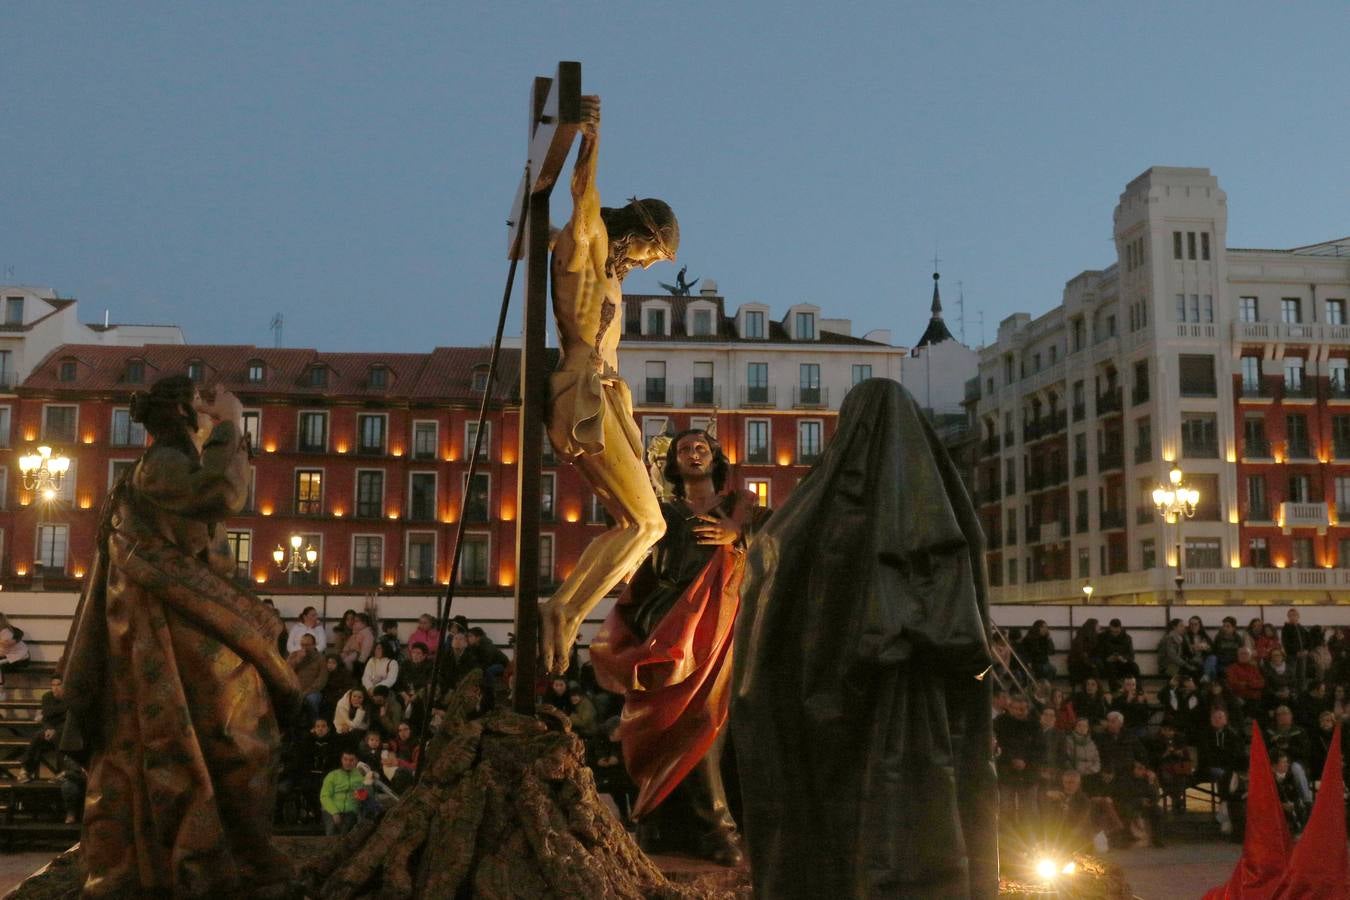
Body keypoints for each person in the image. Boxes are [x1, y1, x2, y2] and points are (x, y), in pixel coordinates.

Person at [733, 379, 997, 898]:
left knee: (839, 834)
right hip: (918, 711)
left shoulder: (797, 524)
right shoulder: (948, 521)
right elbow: (965, 636)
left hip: (829, 711)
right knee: (917, 831)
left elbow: (768, 638)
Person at [58, 375, 300, 895]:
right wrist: (232, 424)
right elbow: (223, 490)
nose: (211, 412)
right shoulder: (165, 463)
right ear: (185, 417)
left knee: (236, 738)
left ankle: (231, 855)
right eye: (202, 405)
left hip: (188, 621)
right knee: (235, 740)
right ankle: (217, 859)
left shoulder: (171, 465)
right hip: (173, 629)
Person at [539, 94, 681, 676]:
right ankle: (566, 610)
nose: (649, 264)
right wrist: (591, 139)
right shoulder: (588, 243)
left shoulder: (602, 267)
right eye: (654, 251)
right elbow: (584, 197)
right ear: (639, 231)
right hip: (582, 392)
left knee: (637, 522)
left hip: (601, 397)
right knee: (648, 522)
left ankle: (567, 610)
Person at [592, 428, 768, 866]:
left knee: (705, 723)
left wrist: (739, 538)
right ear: (673, 463)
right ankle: (657, 820)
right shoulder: (660, 513)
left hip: (717, 625)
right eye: (685, 449)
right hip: (662, 625)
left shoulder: (741, 508)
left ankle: (717, 828)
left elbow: (777, 549)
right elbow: (636, 558)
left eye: (701, 448)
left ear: (715, 459)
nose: (693, 454)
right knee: (653, 727)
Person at [1196, 708, 1247, 835]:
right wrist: (1221, 757)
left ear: (1226, 720)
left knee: (1230, 776)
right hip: (1209, 767)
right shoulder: (1205, 735)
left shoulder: (1232, 735)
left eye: (1220, 717)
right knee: (1225, 775)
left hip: (1228, 768)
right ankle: (1225, 808)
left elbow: (1236, 754)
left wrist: (1223, 757)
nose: (1217, 720)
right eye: (1215, 717)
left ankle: (1226, 807)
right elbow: (1206, 755)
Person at [319, 750, 364, 837]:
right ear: (341, 760)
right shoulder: (332, 775)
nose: (348, 762)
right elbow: (324, 796)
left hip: (350, 811)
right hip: (331, 809)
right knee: (331, 833)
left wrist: (360, 795)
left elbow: (363, 796)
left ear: (356, 761)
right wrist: (334, 812)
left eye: (351, 760)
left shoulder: (360, 776)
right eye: (345, 759)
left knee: (345, 834)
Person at [289, 633, 329, 725]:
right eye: (302, 644)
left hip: (312, 691)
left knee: (312, 700)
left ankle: (314, 724)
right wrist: (297, 661)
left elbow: (322, 679)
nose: (304, 647)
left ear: (314, 645)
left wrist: (306, 692)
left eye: (307, 645)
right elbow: (286, 673)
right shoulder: (294, 655)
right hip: (295, 690)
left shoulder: (320, 658)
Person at [1068, 619, 1101, 684]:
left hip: (1084, 663)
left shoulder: (1092, 637)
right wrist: (1091, 664)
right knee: (1094, 671)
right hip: (1077, 665)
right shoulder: (1081, 638)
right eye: (1097, 625)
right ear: (1092, 627)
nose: (1099, 627)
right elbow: (1080, 654)